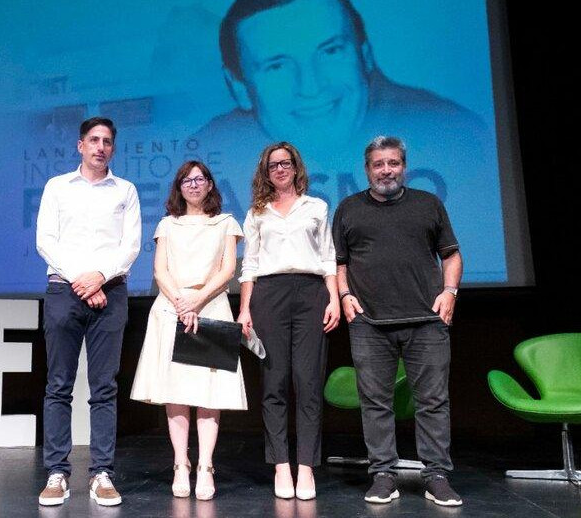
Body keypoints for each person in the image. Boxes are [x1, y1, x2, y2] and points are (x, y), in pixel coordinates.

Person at [191, 0, 498, 259]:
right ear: (239, 87)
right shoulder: (207, 152)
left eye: (331, 52)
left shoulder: (456, 136)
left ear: (364, 55)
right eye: (277, 66)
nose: (311, 88)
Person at [332, 135, 463, 507]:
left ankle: (437, 475)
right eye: (378, 164)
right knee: (375, 402)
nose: (386, 170)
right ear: (367, 169)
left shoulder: (428, 204)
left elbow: (451, 255)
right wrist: (344, 296)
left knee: (433, 400)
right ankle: (383, 474)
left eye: (393, 163)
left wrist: (449, 292)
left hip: (427, 319)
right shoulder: (348, 208)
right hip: (369, 323)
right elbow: (338, 263)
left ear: (404, 166)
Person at [35, 117, 142, 507]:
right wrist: (82, 280)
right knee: (59, 385)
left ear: (113, 149)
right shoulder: (57, 187)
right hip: (64, 290)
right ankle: (57, 473)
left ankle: (102, 474)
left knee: (104, 388)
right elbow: (46, 240)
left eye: (108, 142)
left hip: (110, 293)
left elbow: (130, 245)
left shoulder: (126, 191)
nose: (101, 146)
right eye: (94, 140)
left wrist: (99, 278)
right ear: (80, 145)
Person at [130, 161, 247, 501]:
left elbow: (227, 269)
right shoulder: (168, 223)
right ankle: (181, 463)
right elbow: (159, 268)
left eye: (200, 179)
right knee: (176, 391)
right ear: (178, 187)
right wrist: (183, 302)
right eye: (187, 180)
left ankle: (206, 466)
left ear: (210, 185)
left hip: (211, 305)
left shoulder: (226, 222)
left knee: (209, 393)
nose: (194, 185)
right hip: (172, 307)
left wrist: (197, 299)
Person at [236, 142, 340, 499]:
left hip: (312, 294)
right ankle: (281, 464)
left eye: (285, 163)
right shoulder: (257, 212)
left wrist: (335, 299)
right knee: (275, 381)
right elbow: (248, 265)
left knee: (308, 381)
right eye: (272, 165)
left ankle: (306, 468)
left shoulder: (317, 207)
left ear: (296, 167)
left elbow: (328, 257)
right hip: (268, 295)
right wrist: (245, 308)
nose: (279, 169)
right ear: (265, 173)